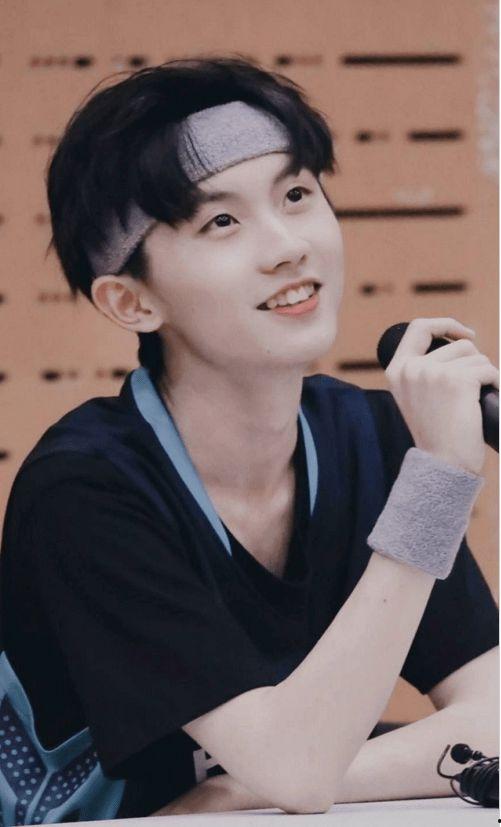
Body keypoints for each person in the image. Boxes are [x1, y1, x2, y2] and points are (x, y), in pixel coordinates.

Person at [0, 56, 498, 822]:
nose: (287, 246)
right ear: (130, 301)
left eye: (296, 194)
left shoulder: (366, 437)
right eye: (221, 222)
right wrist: (435, 482)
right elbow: (297, 770)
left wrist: (239, 789)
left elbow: (491, 712)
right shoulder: (83, 491)